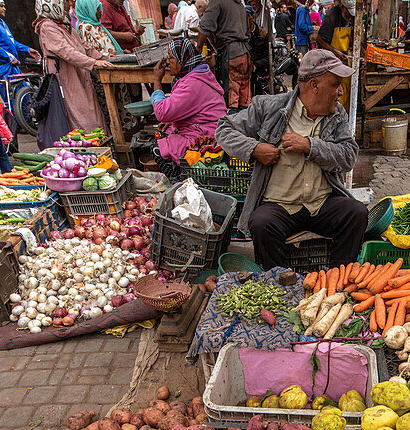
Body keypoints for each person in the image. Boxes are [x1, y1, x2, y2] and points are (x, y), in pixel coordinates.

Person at [216, 49, 366, 269]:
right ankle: (278, 285)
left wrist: (310, 146)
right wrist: (255, 148)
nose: (340, 91)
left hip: (321, 203)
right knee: (261, 222)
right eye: (335, 85)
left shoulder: (337, 115)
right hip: (280, 206)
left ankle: (338, 279)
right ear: (314, 85)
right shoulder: (269, 107)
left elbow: (348, 156)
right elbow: (223, 128)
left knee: (356, 213)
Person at [143, 38, 228, 178]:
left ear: (181, 59)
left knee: (157, 148)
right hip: (206, 128)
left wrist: (157, 80)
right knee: (165, 133)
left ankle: (180, 180)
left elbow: (161, 112)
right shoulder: (197, 75)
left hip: (207, 136)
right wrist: (172, 121)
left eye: (171, 58)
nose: (168, 63)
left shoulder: (192, 83)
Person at [34, 0, 116, 132]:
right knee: (80, 112)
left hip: (80, 72)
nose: (68, 5)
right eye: (64, 2)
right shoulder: (47, 26)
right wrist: (93, 63)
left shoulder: (63, 22)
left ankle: (100, 141)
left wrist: (103, 57)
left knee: (91, 108)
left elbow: (83, 45)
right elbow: (66, 51)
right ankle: (88, 146)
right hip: (66, 77)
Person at [0, 1, 41, 107]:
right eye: (1, 6)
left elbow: (11, 42)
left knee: (23, 93)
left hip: (9, 65)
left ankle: (27, 120)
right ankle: (18, 122)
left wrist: (27, 50)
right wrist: (9, 56)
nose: (4, 8)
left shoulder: (0, 21)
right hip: (0, 66)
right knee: (12, 98)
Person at [199, 0, 253, 109]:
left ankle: (232, 124)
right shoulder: (240, 6)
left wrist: (198, 48)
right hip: (244, 55)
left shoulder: (218, 2)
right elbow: (248, 32)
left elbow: (205, 26)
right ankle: (244, 123)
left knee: (231, 99)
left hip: (232, 55)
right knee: (244, 98)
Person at [315, 0, 353, 106]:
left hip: (344, 61)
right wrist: (335, 52)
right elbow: (319, 40)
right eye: (348, 12)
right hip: (331, 62)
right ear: (342, 7)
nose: (350, 15)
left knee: (344, 93)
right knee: (333, 93)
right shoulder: (332, 16)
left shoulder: (352, 17)